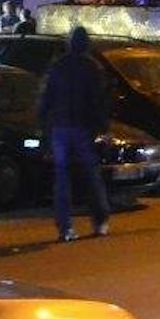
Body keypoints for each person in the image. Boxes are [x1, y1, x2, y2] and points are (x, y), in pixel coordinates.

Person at [37, 26, 112, 242]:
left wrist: (44, 129)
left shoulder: (58, 66)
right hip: (82, 128)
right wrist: (104, 128)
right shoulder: (92, 68)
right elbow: (97, 102)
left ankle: (65, 227)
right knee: (91, 175)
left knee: (62, 178)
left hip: (60, 128)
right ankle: (100, 221)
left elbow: (46, 99)